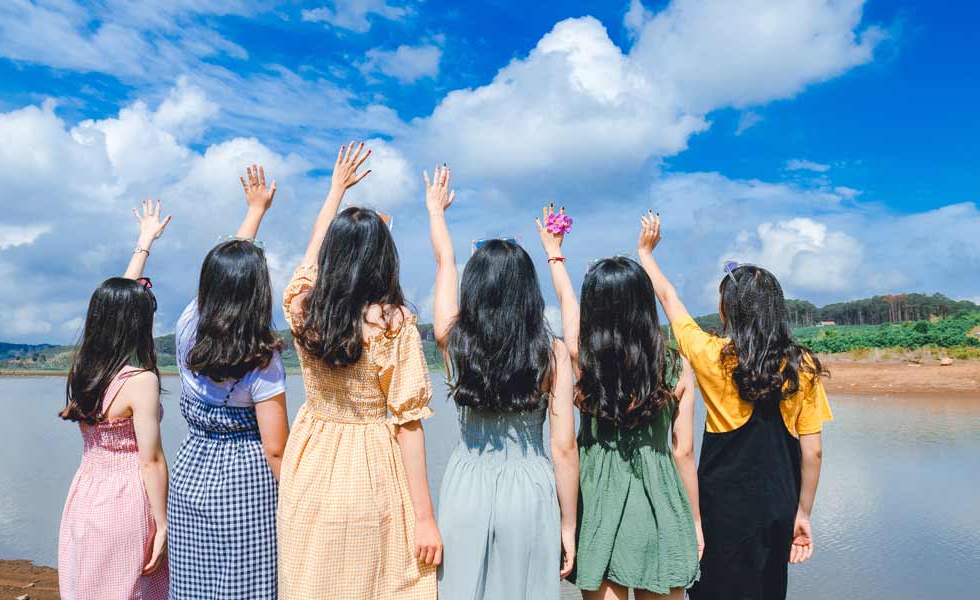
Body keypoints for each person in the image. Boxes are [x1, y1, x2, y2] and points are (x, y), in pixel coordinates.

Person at [636, 212, 831, 600]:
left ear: (728, 311)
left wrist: (646, 253)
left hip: (721, 506)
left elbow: (670, 300)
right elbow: (814, 450)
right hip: (779, 500)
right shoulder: (803, 365)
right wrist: (803, 513)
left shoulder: (712, 355)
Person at [278, 142, 441, 599]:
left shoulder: (303, 308)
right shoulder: (394, 325)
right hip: (372, 463)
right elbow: (409, 424)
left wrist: (335, 191)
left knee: (312, 581)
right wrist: (425, 517)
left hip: (310, 457)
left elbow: (312, 254)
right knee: (378, 581)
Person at [535, 205, 702, 599]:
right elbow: (684, 454)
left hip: (597, 502)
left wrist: (555, 254)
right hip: (661, 500)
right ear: (644, 305)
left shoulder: (582, 361)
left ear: (594, 308)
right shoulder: (676, 368)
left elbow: (566, 301)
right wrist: (694, 520)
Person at [428, 167, 580, 599]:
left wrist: (436, 212)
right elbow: (564, 447)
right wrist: (568, 524)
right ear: (527, 290)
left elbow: (445, 262)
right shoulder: (551, 353)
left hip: (466, 481)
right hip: (529, 485)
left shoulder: (453, 342)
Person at [167, 165, 289, 600]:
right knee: (250, 585)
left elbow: (224, 277)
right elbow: (276, 449)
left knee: (194, 584)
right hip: (248, 485)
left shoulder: (187, 326)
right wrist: (304, 497)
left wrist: (254, 211)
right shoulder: (264, 359)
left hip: (190, 472)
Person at [58, 198, 172, 599]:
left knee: (90, 586)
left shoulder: (87, 368)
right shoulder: (140, 381)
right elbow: (151, 459)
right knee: (129, 589)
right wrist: (162, 524)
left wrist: (144, 243)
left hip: (86, 492)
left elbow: (116, 305)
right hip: (127, 498)